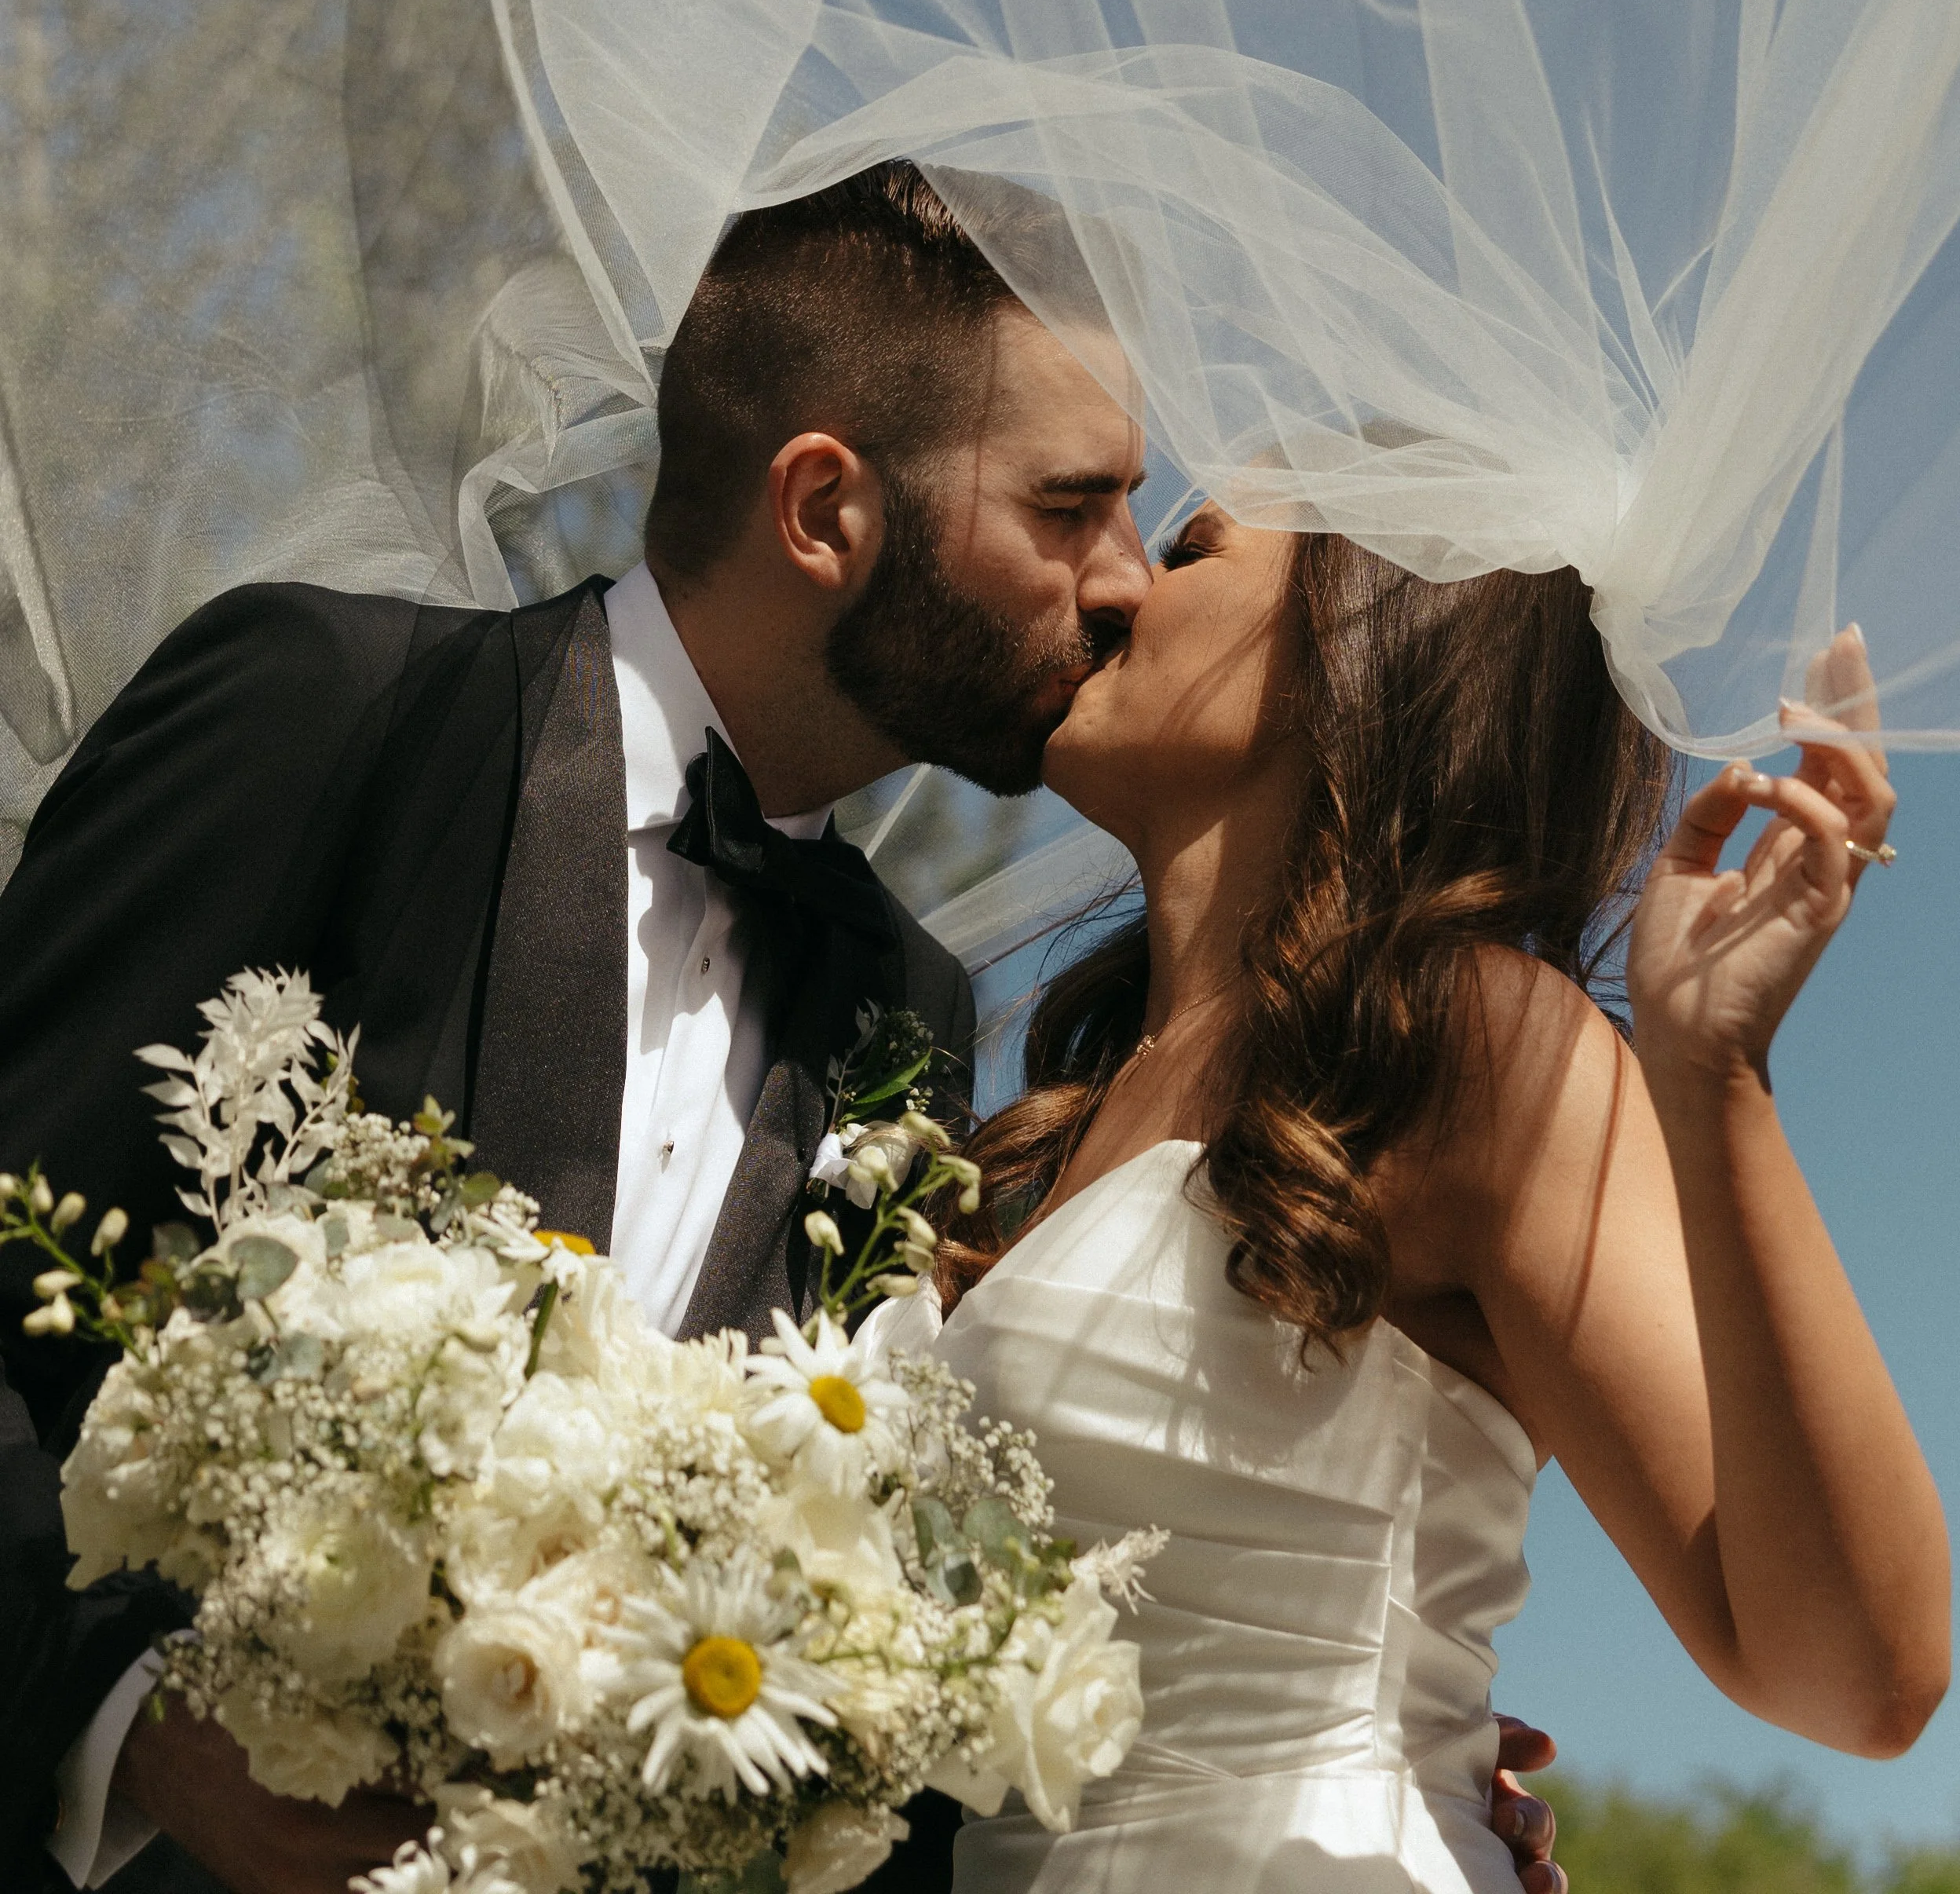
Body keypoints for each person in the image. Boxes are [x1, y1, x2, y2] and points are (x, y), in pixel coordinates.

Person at [0, 169, 1563, 1894]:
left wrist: (1350, 1771)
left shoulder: (917, 1013)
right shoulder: (331, 717)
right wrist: (139, 1726)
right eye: (1072, 507)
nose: (1124, 585)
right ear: (825, 510)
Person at [928, 509, 1949, 1891]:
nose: (1109, 578)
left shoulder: (1462, 1040)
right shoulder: (1057, 1123)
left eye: (1186, 551)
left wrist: (1716, 1077)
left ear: (1356, 638)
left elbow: (1859, 1678)